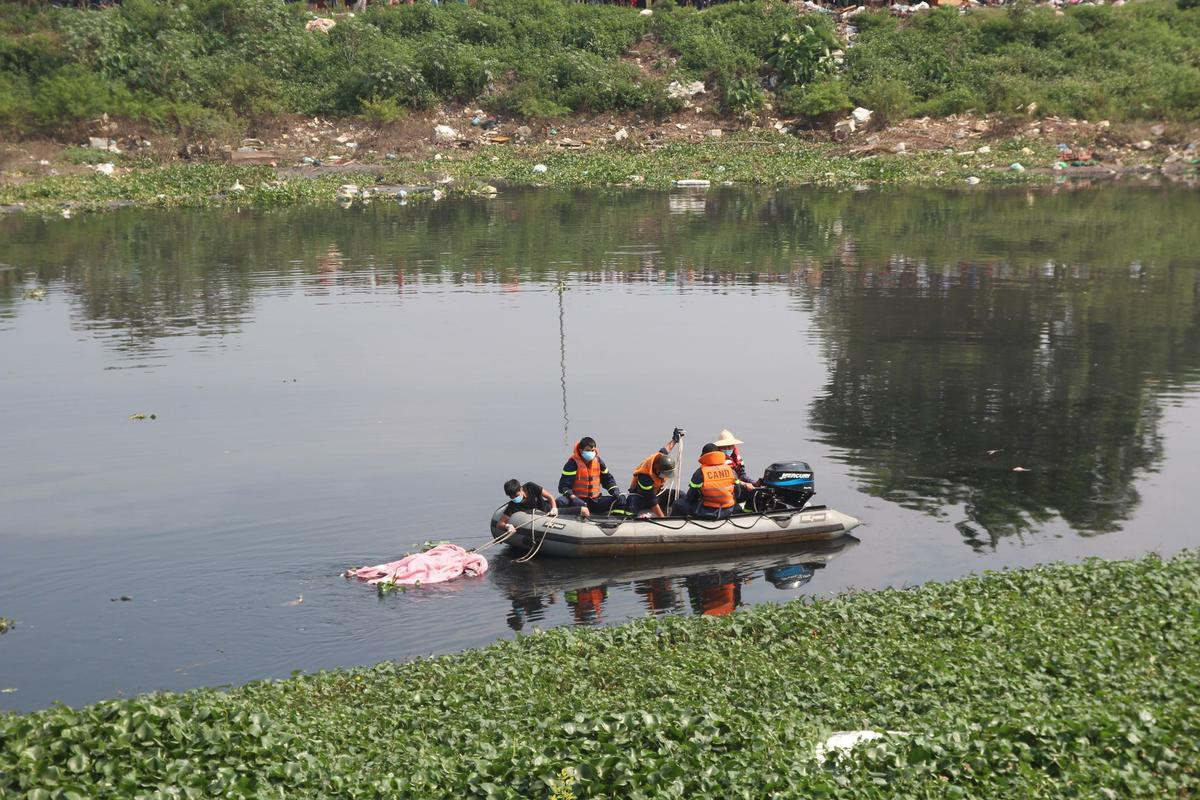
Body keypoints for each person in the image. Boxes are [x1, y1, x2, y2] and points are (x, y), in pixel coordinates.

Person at [676, 443, 757, 519]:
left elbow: (690, 497)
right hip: (728, 510)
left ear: (704, 456)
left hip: (708, 511)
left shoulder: (700, 472)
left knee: (678, 504)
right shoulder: (730, 470)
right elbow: (737, 492)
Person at [627, 427, 685, 517]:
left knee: (681, 494)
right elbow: (651, 501)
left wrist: (675, 440)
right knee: (633, 506)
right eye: (664, 473)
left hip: (657, 494)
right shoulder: (645, 476)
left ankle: (682, 515)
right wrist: (663, 519)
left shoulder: (660, 458)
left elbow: (666, 449)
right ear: (657, 469)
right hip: (642, 499)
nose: (665, 476)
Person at [557, 437, 621, 515]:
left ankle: (615, 520)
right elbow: (563, 487)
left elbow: (607, 479)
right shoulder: (572, 464)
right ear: (581, 450)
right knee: (560, 502)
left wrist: (615, 490)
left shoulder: (599, 462)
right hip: (576, 500)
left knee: (619, 500)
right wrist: (573, 498)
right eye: (588, 450)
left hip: (595, 500)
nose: (591, 453)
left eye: (592, 450)